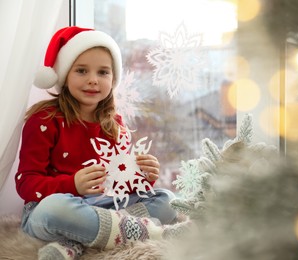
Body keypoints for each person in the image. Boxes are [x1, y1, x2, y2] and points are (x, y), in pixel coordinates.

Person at [15, 26, 188, 260]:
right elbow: (27, 183)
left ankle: (75, 243)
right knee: (53, 209)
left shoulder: (114, 124)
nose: (93, 80)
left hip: (103, 206)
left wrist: (142, 177)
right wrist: (72, 185)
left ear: (113, 79)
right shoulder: (43, 121)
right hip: (53, 211)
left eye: (103, 72)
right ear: (65, 75)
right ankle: (150, 232)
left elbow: (118, 186)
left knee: (167, 200)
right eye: (82, 71)